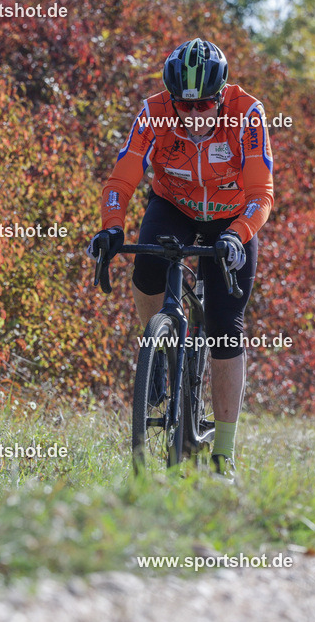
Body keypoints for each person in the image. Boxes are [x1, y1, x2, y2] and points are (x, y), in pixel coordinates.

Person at [86, 38, 274, 479]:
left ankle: (223, 454)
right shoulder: (154, 112)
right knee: (147, 268)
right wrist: (112, 226)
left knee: (225, 326)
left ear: (221, 95)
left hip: (232, 216)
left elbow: (261, 193)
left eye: (204, 105)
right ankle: (159, 352)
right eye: (183, 106)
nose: (193, 116)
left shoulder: (248, 113)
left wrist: (237, 236)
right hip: (174, 205)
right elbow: (122, 177)